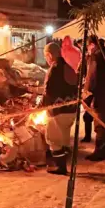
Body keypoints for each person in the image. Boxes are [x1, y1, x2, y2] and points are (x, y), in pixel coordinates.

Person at [42, 41, 78, 175]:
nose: (46, 59)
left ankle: (60, 167)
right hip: (71, 110)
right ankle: (62, 165)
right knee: (63, 139)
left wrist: (39, 107)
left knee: (53, 139)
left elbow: (48, 92)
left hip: (58, 111)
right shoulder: (68, 67)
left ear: (50, 55)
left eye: (45, 56)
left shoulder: (54, 69)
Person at [80, 36, 99, 144]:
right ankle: (88, 136)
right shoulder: (88, 57)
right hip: (89, 89)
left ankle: (99, 139)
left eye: (87, 45)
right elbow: (84, 72)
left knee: (97, 115)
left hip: (95, 90)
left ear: (92, 45)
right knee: (87, 115)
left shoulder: (97, 57)